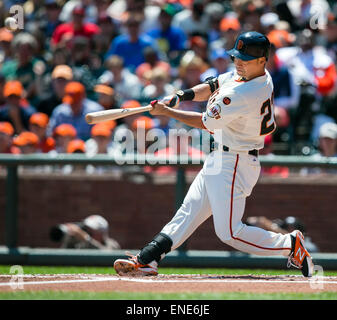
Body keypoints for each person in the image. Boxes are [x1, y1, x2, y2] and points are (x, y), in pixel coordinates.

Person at [113, 31, 314, 278]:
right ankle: (147, 259)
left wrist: (168, 112)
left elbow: (205, 122)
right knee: (188, 212)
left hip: (236, 161)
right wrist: (180, 96)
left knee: (229, 232)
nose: (238, 62)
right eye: (236, 57)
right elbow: (213, 84)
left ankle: (290, 244)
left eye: (245, 58)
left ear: (262, 60)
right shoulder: (252, 75)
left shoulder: (244, 94)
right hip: (222, 156)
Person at [50, 214, 121, 250]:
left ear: (101, 232)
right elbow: (64, 256)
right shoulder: (80, 244)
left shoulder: (112, 244)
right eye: (86, 229)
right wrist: (69, 238)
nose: (87, 231)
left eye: (91, 230)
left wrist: (86, 238)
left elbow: (106, 255)